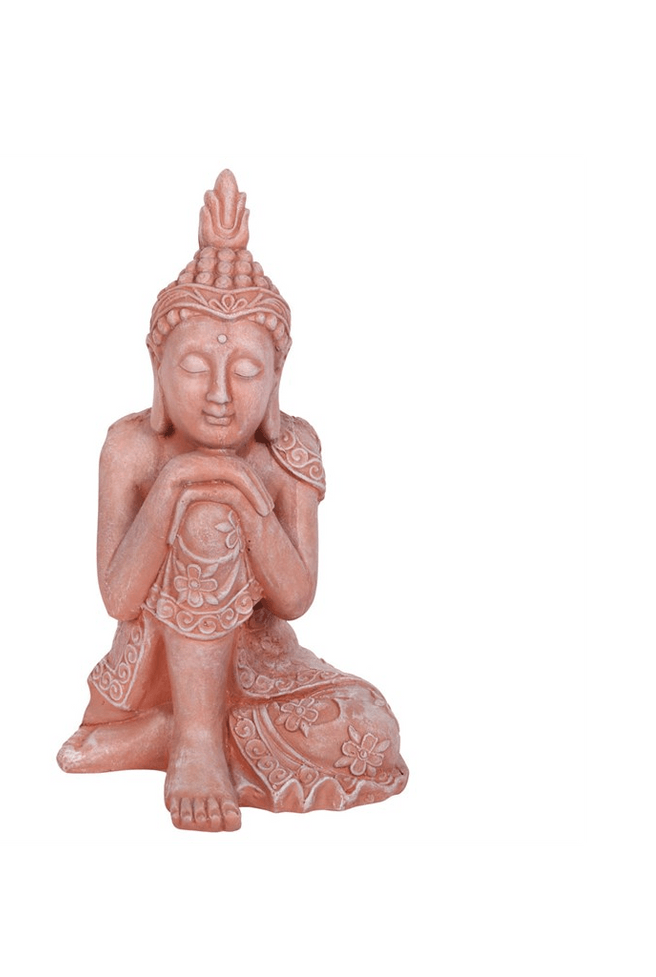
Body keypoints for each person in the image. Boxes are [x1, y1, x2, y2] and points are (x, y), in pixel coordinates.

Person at [57, 170, 407, 831]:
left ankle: (164, 736)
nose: (220, 393)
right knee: (205, 512)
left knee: (371, 733)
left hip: (258, 667)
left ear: (276, 378)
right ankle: (193, 743)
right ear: (157, 370)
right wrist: (171, 490)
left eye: (246, 371)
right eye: (194, 367)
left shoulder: (290, 448)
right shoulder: (131, 448)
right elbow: (119, 599)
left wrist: (253, 509)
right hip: (155, 663)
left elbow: (295, 598)